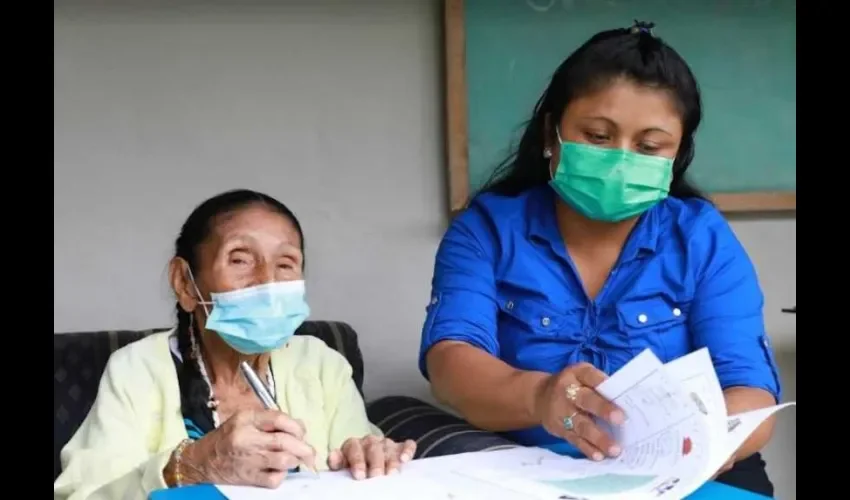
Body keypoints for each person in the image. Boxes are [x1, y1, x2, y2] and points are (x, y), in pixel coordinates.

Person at [418, 21, 781, 496]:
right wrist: (540, 396)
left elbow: (750, 391)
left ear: (677, 157)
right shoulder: (485, 230)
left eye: (650, 147)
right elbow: (451, 362)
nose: (621, 159)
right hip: (530, 473)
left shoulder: (702, 238)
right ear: (552, 133)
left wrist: (703, 449)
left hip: (685, 476)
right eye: (597, 135)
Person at [54, 189, 416, 500]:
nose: (266, 282)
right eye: (240, 259)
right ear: (185, 283)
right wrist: (192, 466)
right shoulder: (136, 369)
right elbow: (85, 495)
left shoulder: (322, 364)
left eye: (286, 264)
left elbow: (360, 468)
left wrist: (369, 458)